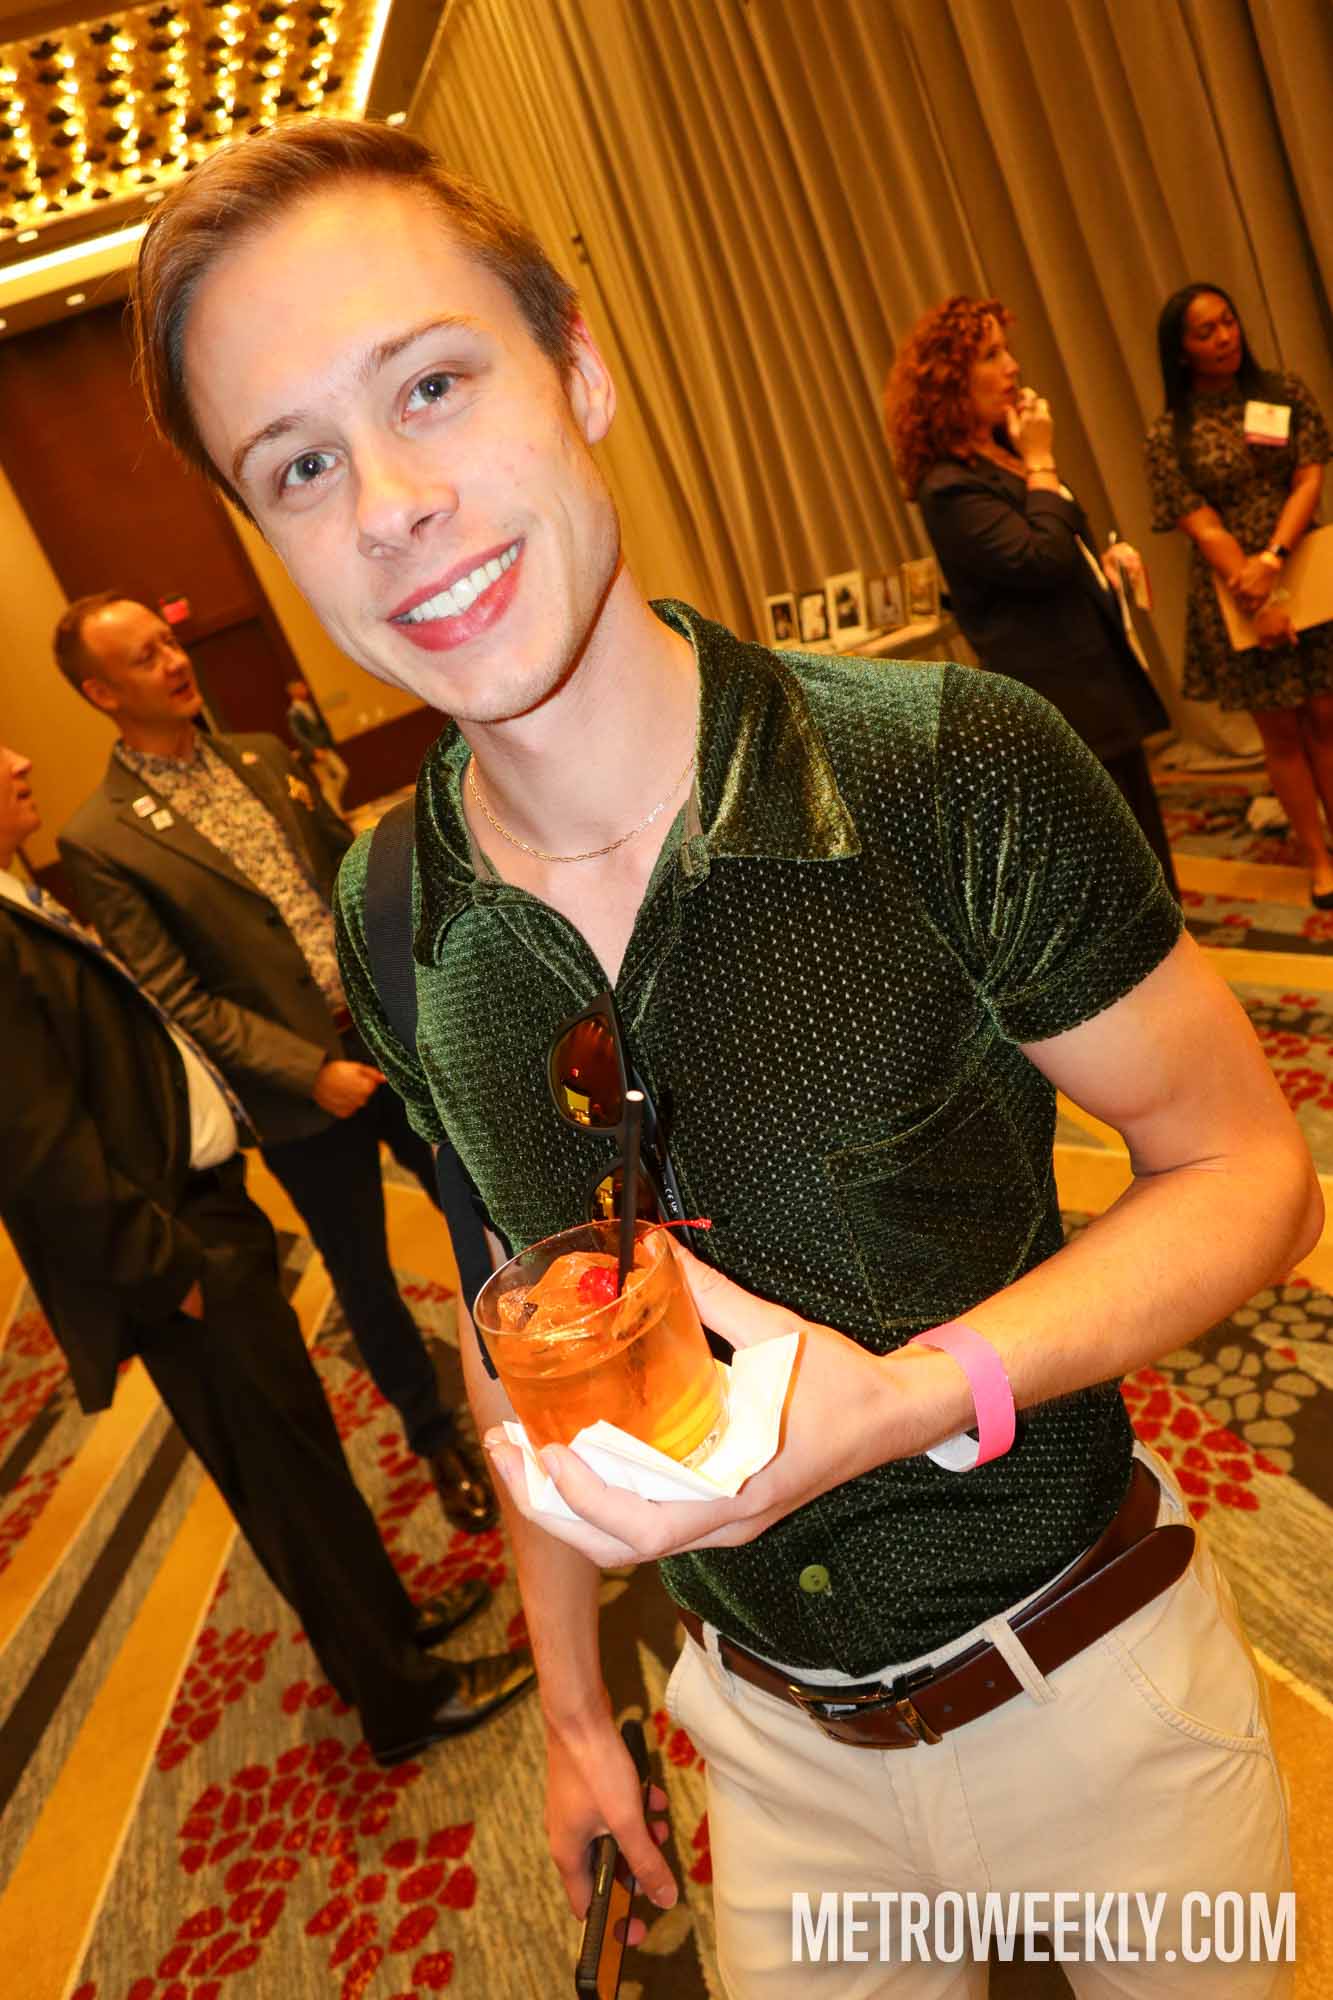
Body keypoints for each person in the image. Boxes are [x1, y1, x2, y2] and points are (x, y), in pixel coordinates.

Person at [131, 120, 1317, 1996]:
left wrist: (913, 1394)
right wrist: (575, 1711)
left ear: (580, 369)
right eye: (299, 465)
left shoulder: (942, 770)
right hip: (768, 1761)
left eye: (430, 385)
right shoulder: (387, 913)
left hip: (1093, 1697)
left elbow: (1245, 1168)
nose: (389, 505)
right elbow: (511, 1325)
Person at [0, 741, 534, 1764]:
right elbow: (38, 1157)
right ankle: (404, 1696)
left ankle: (391, 1634)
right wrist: (170, 1276)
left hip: (199, 1214)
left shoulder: (18, 896)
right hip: (175, 1251)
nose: (22, 757)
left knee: (302, 1458)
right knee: (286, 1481)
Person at [55, 598, 497, 1534]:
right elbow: (178, 996)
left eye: (170, 640)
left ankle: (534, 1369)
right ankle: (435, 1436)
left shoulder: (258, 754)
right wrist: (306, 1072)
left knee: (483, 1208)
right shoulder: (100, 837)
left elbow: (350, 881)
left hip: (389, 1037)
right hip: (299, 1096)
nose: (174, 660)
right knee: (365, 1272)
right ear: (101, 693)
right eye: (144, 657)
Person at [886, 295, 1179, 896]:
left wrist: (1100, 565)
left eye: (1007, 351)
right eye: (992, 355)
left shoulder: (1005, 456)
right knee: (1113, 868)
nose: (1013, 366)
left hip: (1094, 674)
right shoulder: (949, 487)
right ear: (950, 381)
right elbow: (1038, 560)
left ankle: (1176, 940)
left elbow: (1060, 545)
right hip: (1058, 696)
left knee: (1145, 843)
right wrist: (1043, 460)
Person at [1145, 283, 1333, 905]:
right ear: (1182, 350)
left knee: (1327, 718)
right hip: (1235, 596)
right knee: (1281, 734)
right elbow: (1201, 524)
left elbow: (1308, 479)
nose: (1225, 337)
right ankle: (1317, 860)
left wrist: (1274, 559)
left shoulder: (1283, 394)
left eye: (1228, 322)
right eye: (1207, 331)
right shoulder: (1169, 434)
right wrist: (1255, 594)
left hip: (1303, 569)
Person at [286, 675, 351, 814]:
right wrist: (313, 750)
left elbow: (321, 726)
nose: (305, 689)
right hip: (313, 753)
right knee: (327, 783)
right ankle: (337, 813)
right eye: (301, 687)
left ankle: (331, 804)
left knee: (342, 773)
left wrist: (327, 743)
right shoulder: (293, 713)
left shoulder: (310, 705)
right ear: (293, 691)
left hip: (325, 747)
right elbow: (299, 735)